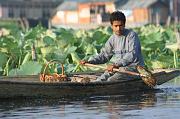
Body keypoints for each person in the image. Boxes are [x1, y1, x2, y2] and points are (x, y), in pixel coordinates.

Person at [80, 11, 145, 81]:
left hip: (134, 68)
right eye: (116, 26)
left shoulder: (132, 35)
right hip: (118, 68)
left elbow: (132, 54)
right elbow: (104, 55)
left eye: (120, 25)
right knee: (100, 79)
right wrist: (90, 61)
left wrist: (117, 64)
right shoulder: (112, 39)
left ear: (124, 25)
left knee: (111, 80)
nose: (118, 29)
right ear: (112, 26)